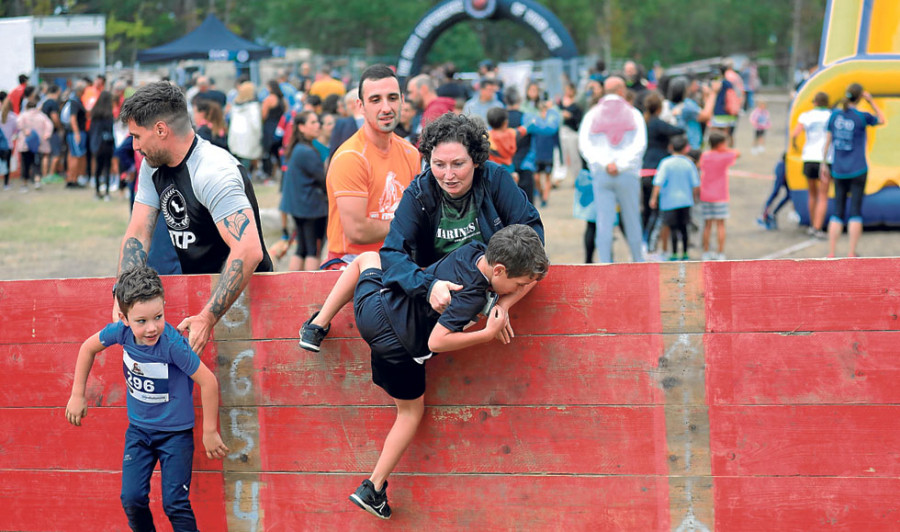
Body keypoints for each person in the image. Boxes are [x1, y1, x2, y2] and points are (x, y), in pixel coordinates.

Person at [299, 225, 549, 519]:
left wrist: (505, 302)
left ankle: (316, 326)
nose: (521, 288)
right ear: (500, 271)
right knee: (409, 413)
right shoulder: (471, 297)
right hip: (400, 348)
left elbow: (534, 277)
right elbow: (436, 341)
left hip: (375, 313)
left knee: (366, 259)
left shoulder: (474, 250)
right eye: (517, 284)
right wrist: (486, 333)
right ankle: (373, 486)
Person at [302, 112, 544, 348]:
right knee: (371, 261)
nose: (448, 175)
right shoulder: (419, 192)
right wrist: (427, 287)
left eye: (458, 164)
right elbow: (393, 252)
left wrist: (504, 304)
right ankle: (319, 322)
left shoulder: (495, 179)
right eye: (439, 164)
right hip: (436, 288)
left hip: (484, 281)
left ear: (476, 160)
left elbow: (533, 239)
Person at [65, 265, 228, 531]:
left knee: (175, 503)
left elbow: (208, 381)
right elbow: (87, 347)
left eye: (158, 317)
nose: (152, 328)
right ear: (124, 317)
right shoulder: (121, 333)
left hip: (175, 435)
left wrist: (209, 431)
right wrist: (77, 393)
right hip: (139, 432)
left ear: (164, 305)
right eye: (141, 321)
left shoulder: (173, 346)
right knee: (131, 498)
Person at [117, 81, 273, 354]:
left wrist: (208, 316)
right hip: (200, 294)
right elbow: (138, 233)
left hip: (248, 298)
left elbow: (248, 250)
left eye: (137, 136)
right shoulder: (154, 167)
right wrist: (123, 298)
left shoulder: (213, 171)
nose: (134, 146)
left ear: (161, 130)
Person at [324, 64, 420, 266]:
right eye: (375, 100)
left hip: (396, 260)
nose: (386, 108)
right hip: (350, 264)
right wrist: (408, 223)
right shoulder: (351, 157)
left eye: (392, 98)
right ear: (360, 106)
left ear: (402, 100)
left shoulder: (410, 152)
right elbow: (357, 231)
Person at [578, 75, 647, 263]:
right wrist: (622, 164)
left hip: (602, 174)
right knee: (632, 219)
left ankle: (605, 263)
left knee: (603, 222)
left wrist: (603, 163)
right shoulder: (634, 114)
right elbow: (640, 144)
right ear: (621, 90)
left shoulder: (592, 114)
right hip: (628, 174)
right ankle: (638, 260)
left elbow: (585, 145)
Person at [822, 83, 885, 258]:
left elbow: (827, 143)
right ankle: (851, 252)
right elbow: (882, 119)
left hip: (838, 170)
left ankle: (832, 252)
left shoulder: (834, 116)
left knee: (837, 211)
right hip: (858, 169)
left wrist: (823, 164)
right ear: (859, 98)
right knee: (855, 211)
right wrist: (871, 101)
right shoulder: (861, 117)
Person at [280, 111, 327, 271]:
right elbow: (323, 180)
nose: (317, 125)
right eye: (313, 122)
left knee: (302, 248)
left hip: (299, 207)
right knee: (313, 249)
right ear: (301, 127)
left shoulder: (298, 148)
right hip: (311, 208)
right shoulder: (307, 152)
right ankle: (311, 290)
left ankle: (294, 287)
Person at [640, 91, 684, 252]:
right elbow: (678, 131)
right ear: (659, 108)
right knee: (657, 212)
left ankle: (643, 242)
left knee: (646, 211)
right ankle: (649, 245)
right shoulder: (657, 123)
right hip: (656, 171)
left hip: (643, 170)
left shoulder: (644, 122)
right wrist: (677, 116)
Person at [649, 135, 700, 260]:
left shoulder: (665, 163)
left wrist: (653, 198)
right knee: (684, 228)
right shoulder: (689, 163)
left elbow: (658, 183)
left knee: (673, 229)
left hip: (669, 202)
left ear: (671, 147)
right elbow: (695, 184)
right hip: (685, 201)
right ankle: (685, 253)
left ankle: (674, 253)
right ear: (685, 148)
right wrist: (694, 198)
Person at [791, 91, 832, 237]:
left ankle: (811, 224)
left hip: (808, 156)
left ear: (814, 102)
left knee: (812, 194)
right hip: (825, 159)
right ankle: (817, 228)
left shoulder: (806, 115)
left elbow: (795, 134)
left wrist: (796, 147)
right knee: (823, 195)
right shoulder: (831, 115)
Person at [699, 132, 739, 260]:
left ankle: (706, 252)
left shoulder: (705, 156)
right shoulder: (725, 156)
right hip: (720, 195)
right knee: (720, 225)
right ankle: (720, 252)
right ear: (720, 144)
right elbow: (737, 153)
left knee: (707, 225)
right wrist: (725, 149)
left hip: (705, 194)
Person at [15, 96, 53, 192]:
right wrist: (46, 135)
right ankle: (37, 181)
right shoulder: (42, 116)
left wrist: (24, 131)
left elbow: (18, 124)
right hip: (38, 144)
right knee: (36, 163)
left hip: (25, 144)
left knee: (25, 164)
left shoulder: (23, 115)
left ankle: (24, 184)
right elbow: (49, 125)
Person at [227, 81, 263, 172]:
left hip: (235, 135)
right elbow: (256, 124)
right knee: (246, 160)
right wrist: (259, 136)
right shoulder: (253, 106)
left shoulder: (235, 105)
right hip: (249, 136)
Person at [89, 90, 116, 200]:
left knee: (98, 168)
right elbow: (110, 130)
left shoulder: (95, 113)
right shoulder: (109, 115)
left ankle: (97, 191)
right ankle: (107, 192)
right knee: (107, 167)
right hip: (107, 143)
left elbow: (92, 130)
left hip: (96, 143)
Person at [486, 106, 526, 180]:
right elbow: (524, 129)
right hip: (509, 170)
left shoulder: (487, 137)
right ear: (505, 123)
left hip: (494, 172)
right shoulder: (511, 133)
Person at [63, 80, 89, 188]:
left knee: (72, 155)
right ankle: (73, 179)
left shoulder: (75, 100)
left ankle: (72, 178)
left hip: (74, 133)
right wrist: (77, 133)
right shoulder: (75, 101)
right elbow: (73, 118)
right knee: (76, 156)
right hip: (76, 133)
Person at [758, 153, 791, 230]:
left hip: (788, 166)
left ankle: (773, 213)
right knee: (776, 192)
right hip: (784, 165)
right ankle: (764, 215)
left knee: (790, 194)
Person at [260, 80, 286, 179]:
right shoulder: (282, 100)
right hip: (280, 127)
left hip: (269, 127)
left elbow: (263, 115)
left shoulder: (269, 99)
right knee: (278, 151)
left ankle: (268, 174)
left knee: (268, 152)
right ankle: (282, 170)